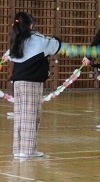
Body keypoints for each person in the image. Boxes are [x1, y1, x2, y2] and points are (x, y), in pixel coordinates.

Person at [3, 12, 61, 158]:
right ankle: (28, 150)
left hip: (18, 83)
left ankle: (18, 149)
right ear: (31, 25)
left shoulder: (16, 40)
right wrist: (56, 39)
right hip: (31, 83)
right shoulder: (37, 39)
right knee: (31, 116)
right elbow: (54, 46)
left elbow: (10, 55)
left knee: (20, 116)